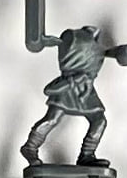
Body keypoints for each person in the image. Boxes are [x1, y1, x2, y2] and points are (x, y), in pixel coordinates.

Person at [20, 27, 109, 168]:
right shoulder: (70, 72)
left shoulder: (88, 73)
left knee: (99, 121)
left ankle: (87, 155)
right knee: (52, 119)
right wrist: (72, 81)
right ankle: (30, 147)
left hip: (86, 90)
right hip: (69, 90)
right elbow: (49, 90)